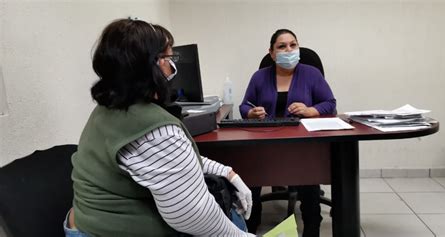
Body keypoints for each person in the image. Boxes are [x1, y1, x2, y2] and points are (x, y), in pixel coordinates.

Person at [64, 18, 255, 237]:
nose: (173, 66)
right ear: (150, 64)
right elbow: (194, 214)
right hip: (107, 230)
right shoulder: (155, 131)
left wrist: (226, 172)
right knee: (230, 218)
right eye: (168, 58)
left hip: (87, 222)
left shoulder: (111, 108)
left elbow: (171, 160)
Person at [239, 29, 336, 237]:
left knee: (309, 180)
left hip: (303, 145)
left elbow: (330, 103)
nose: (289, 50)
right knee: (251, 175)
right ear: (272, 53)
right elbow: (244, 106)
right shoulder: (259, 77)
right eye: (282, 46)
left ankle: (312, 228)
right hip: (266, 144)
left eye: (293, 45)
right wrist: (252, 113)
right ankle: (251, 226)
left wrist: (311, 110)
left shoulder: (311, 73)